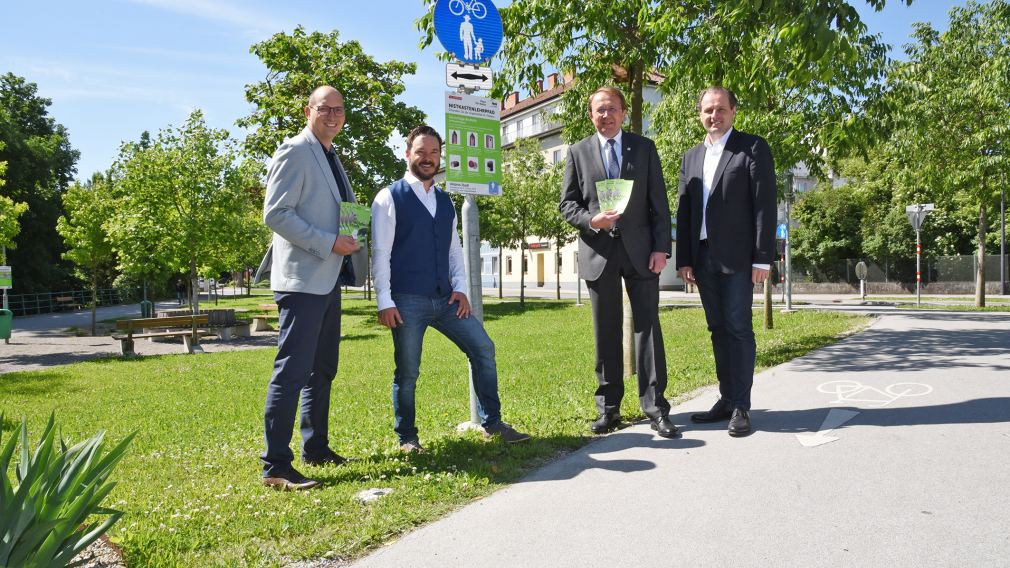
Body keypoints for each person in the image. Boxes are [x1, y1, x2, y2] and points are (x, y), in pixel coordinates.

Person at [371, 125, 530, 453]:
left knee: (483, 348)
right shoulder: (389, 197)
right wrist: (383, 300)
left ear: (440, 156)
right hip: (406, 300)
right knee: (409, 371)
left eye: (434, 153)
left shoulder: (445, 201)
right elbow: (381, 253)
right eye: (421, 152)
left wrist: (461, 288)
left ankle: (493, 423)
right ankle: (407, 439)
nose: (428, 159)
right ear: (407, 154)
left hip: (446, 298)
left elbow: (453, 251)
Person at [260, 86, 368, 490]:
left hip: (329, 279)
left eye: (339, 110)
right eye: (325, 109)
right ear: (309, 111)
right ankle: (275, 466)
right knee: (292, 372)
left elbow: (338, 210)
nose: (333, 116)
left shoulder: (331, 154)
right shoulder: (295, 150)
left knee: (321, 370)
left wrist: (352, 235)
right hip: (302, 282)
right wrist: (328, 242)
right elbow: (276, 213)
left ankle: (316, 448)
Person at [559, 86, 678, 438]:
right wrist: (590, 221)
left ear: (623, 113)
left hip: (642, 253)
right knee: (605, 332)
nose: (606, 115)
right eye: (599, 110)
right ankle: (608, 409)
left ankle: (656, 408)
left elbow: (660, 203)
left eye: (612, 109)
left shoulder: (644, 149)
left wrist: (662, 248)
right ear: (590, 115)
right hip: (599, 252)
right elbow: (567, 204)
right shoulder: (577, 152)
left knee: (648, 329)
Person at [676, 86, 777, 437]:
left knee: (738, 329)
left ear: (733, 111)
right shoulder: (690, 157)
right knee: (717, 329)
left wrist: (763, 257)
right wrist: (684, 259)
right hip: (702, 258)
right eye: (707, 110)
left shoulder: (752, 147)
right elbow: (685, 211)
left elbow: (765, 205)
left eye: (720, 109)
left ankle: (741, 406)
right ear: (699, 114)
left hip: (738, 258)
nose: (713, 116)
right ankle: (725, 397)